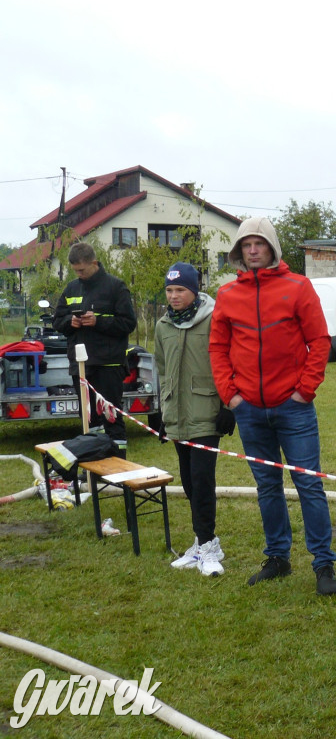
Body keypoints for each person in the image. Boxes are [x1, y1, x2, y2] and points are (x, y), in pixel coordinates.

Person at [209, 216, 336, 596]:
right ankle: (278, 558)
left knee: (308, 485)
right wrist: (230, 395)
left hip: (293, 408)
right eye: (246, 245)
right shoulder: (227, 296)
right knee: (267, 486)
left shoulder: (298, 287)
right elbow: (217, 348)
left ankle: (324, 563)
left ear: (271, 248)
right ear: (238, 250)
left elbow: (320, 341)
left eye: (259, 244)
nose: (252, 250)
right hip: (248, 408)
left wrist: (305, 391)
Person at [154, 262, 235, 577]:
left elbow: (228, 360)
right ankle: (201, 542)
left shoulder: (214, 319)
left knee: (203, 481)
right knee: (188, 482)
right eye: (170, 290)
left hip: (207, 413)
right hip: (178, 415)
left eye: (180, 290)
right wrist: (163, 411)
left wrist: (227, 406)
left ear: (195, 290)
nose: (174, 296)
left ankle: (211, 550)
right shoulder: (162, 325)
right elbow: (162, 370)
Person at [53, 242, 137, 458]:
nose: (79, 274)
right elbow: (57, 320)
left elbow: (128, 323)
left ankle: (118, 465)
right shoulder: (72, 288)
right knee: (88, 420)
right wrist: (69, 321)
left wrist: (98, 321)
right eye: (75, 271)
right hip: (81, 367)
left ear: (94, 263)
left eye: (82, 269)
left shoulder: (115, 287)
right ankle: (93, 467)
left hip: (108, 365)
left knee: (111, 417)